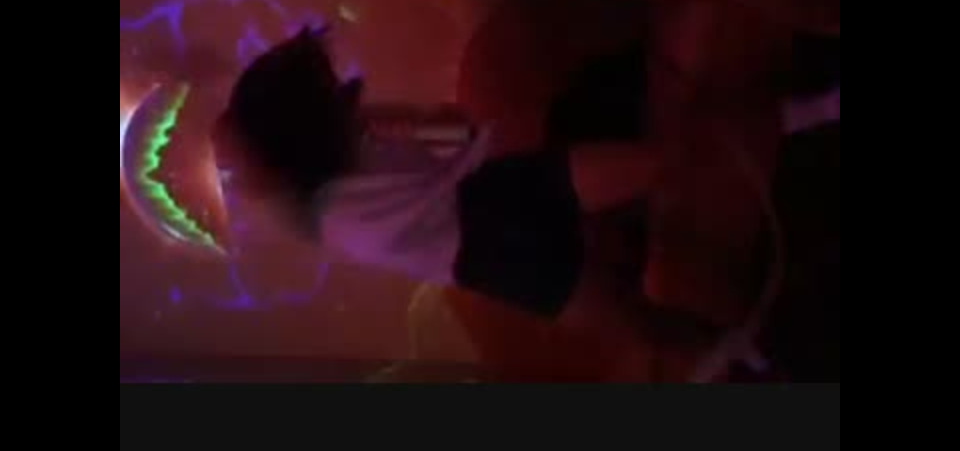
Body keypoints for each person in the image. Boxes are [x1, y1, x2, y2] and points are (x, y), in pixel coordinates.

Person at [211, 25, 715, 355]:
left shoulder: (334, 190)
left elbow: (441, 136)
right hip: (488, 225)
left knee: (641, 317)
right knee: (642, 322)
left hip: (485, 238)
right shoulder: (335, 208)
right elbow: (447, 147)